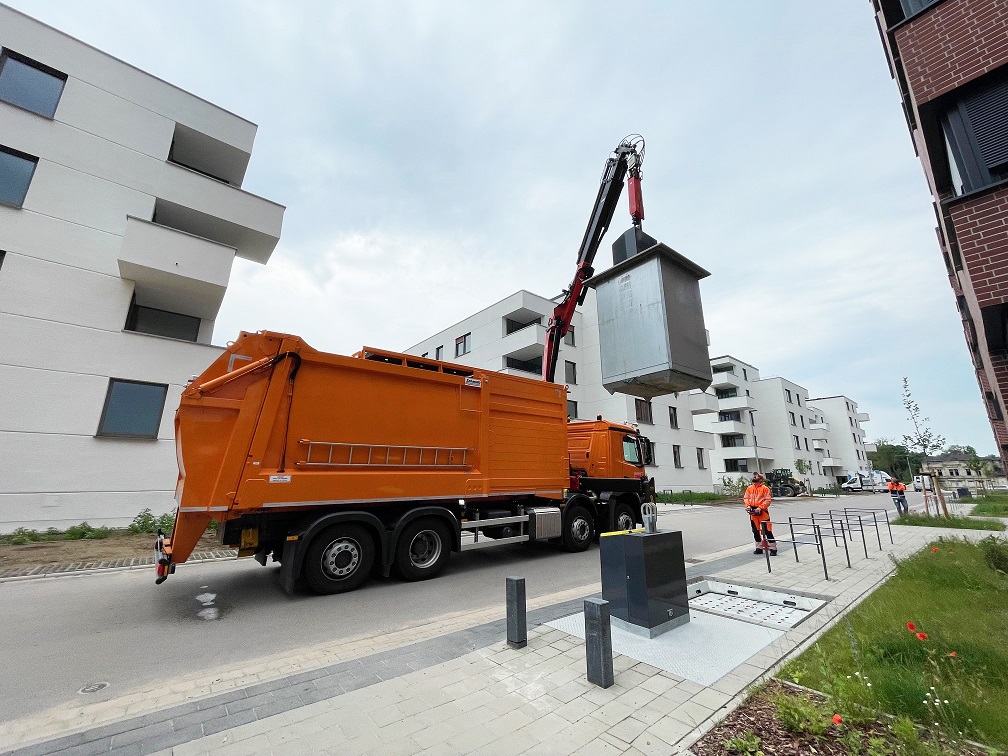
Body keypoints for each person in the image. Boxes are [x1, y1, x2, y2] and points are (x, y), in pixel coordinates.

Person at [744, 472, 777, 556]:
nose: (754, 477)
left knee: (767, 531)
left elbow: (767, 500)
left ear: (760, 479)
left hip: (762, 512)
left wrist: (760, 507)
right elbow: (746, 498)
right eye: (754, 476)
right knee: (755, 531)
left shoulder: (765, 488)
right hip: (753, 512)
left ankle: (773, 548)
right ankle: (758, 548)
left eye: (756, 476)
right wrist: (748, 506)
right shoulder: (749, 488)